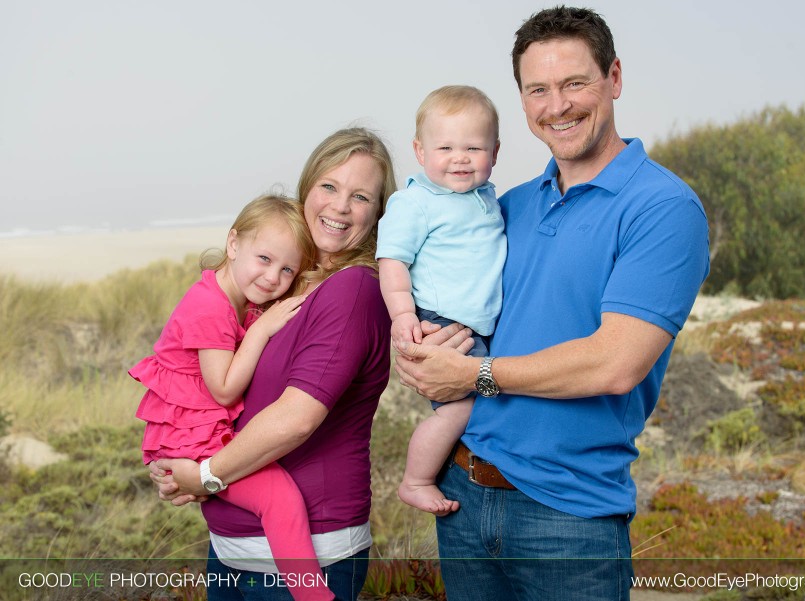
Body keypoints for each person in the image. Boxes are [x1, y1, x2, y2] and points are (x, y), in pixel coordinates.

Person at [393, 6, 710, 601]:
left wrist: (473, 374)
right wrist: (412, 338)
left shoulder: (663, 209)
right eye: (538, 89)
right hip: (462, 498)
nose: (557, 105)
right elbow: (447, 298)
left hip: (568, 518)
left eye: (574, 83)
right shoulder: (506, 205)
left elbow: (615, 365)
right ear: (522, 101)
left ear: (614, 78)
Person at [149, 127, 414, 601]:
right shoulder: (287, 284)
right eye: (329, 187)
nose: (339, 206)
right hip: (233, 549)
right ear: (307, 188)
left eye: (360, 197)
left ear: (378, 214)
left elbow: (294, 421)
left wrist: (208, 474)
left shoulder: (353, 289)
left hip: (309, 551)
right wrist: (185, 463)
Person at [129, 194, 332, 600]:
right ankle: (313, 595)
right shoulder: (210, 307)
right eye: (264, 258)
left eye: (287, 268)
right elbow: (222, 388)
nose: (273, 277)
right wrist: (261, 330)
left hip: (195, 435)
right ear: (234, 243)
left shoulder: (233, 298)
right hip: (191, 437)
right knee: (280, 499)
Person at [376, 85, 506, 516]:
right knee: (460, 409)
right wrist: (402, 314)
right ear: (420, 150)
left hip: (476, 323)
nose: (461, 157)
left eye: (474, 147)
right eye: (446, 147)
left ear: (495, 151)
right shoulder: (415, 202)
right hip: (441, 320)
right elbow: (393, 260)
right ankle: (416, 480)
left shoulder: (485, 197)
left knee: (487, 405)